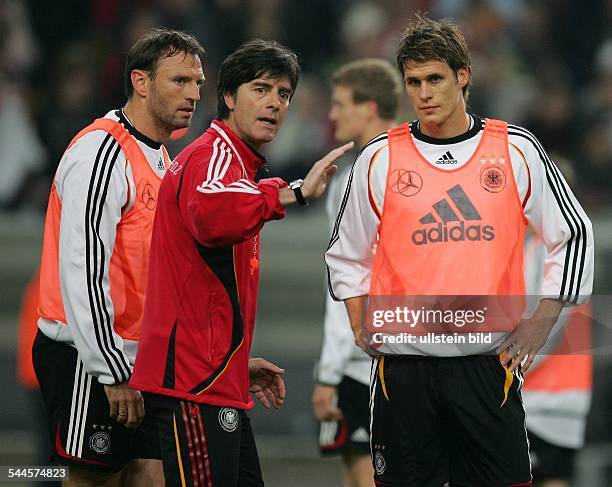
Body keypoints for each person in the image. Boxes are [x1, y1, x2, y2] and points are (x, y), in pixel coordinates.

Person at [325, 15, 594, 487]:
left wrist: (541, 322)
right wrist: (356, 319)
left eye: (435, 79)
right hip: (403, 369)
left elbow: (572, 233)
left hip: (486, 365)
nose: (424, 93)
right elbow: (346, 253)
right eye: (413, 82)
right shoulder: (380, 158)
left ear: (463, 75)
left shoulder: (515, 149)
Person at [129, 39, 353, 487]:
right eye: (261, 88)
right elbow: (210, 213)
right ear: (229, 97)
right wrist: (292, 191)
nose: (274, 102)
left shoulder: (236, 166)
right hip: (194, 383)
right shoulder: (214, 156)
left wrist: (236, 363)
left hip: (214, 378)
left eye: (284, 93)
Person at [33, 29, 205, 486]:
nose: (193, 94)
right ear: (141, 82)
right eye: (180, 81)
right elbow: (84, 268)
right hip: (88, 358)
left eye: (197, 83)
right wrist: (108, 368)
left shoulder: (162, 159)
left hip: (140, 361)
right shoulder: (101, 152)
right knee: (93, 479)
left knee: (151, 475)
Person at [312, 58, 402, 487]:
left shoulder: (352, 180)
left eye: (340, 104)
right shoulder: (419, 169)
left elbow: (343, 283)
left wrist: (328, 373)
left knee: (364, 473)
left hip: (360, 360)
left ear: (369, 107)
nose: (332, 115)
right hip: (415, 350)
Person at [521, 159, 592, 487]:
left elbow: (546, 327)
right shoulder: (578, 245)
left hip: (536, 400)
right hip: (568, 398)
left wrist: (508, 367)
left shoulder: (544, 248)